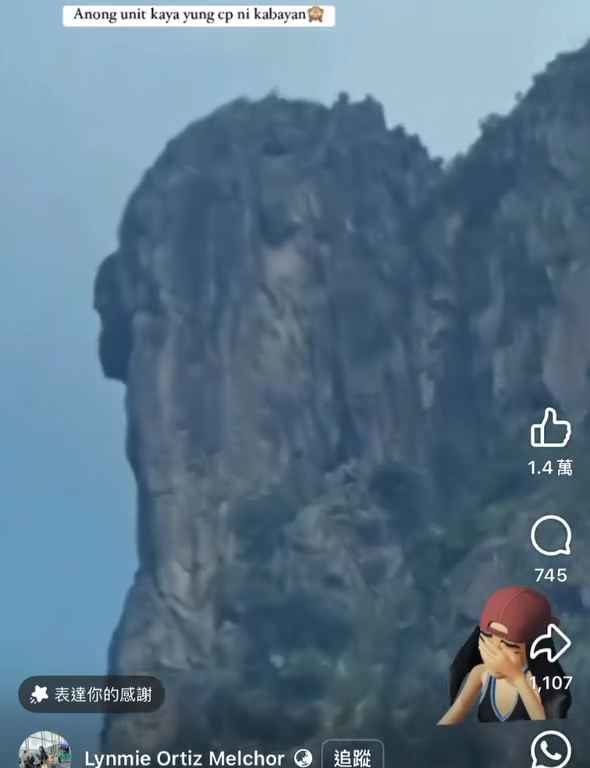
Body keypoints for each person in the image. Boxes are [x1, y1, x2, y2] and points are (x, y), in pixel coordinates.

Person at [438, 586, 572, 724]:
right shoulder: (480, 673)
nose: (495, 654)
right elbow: (458, 709)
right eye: (486, 640)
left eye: (509, 646)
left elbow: (544, 727)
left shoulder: (534, 681)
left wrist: (517, 678)